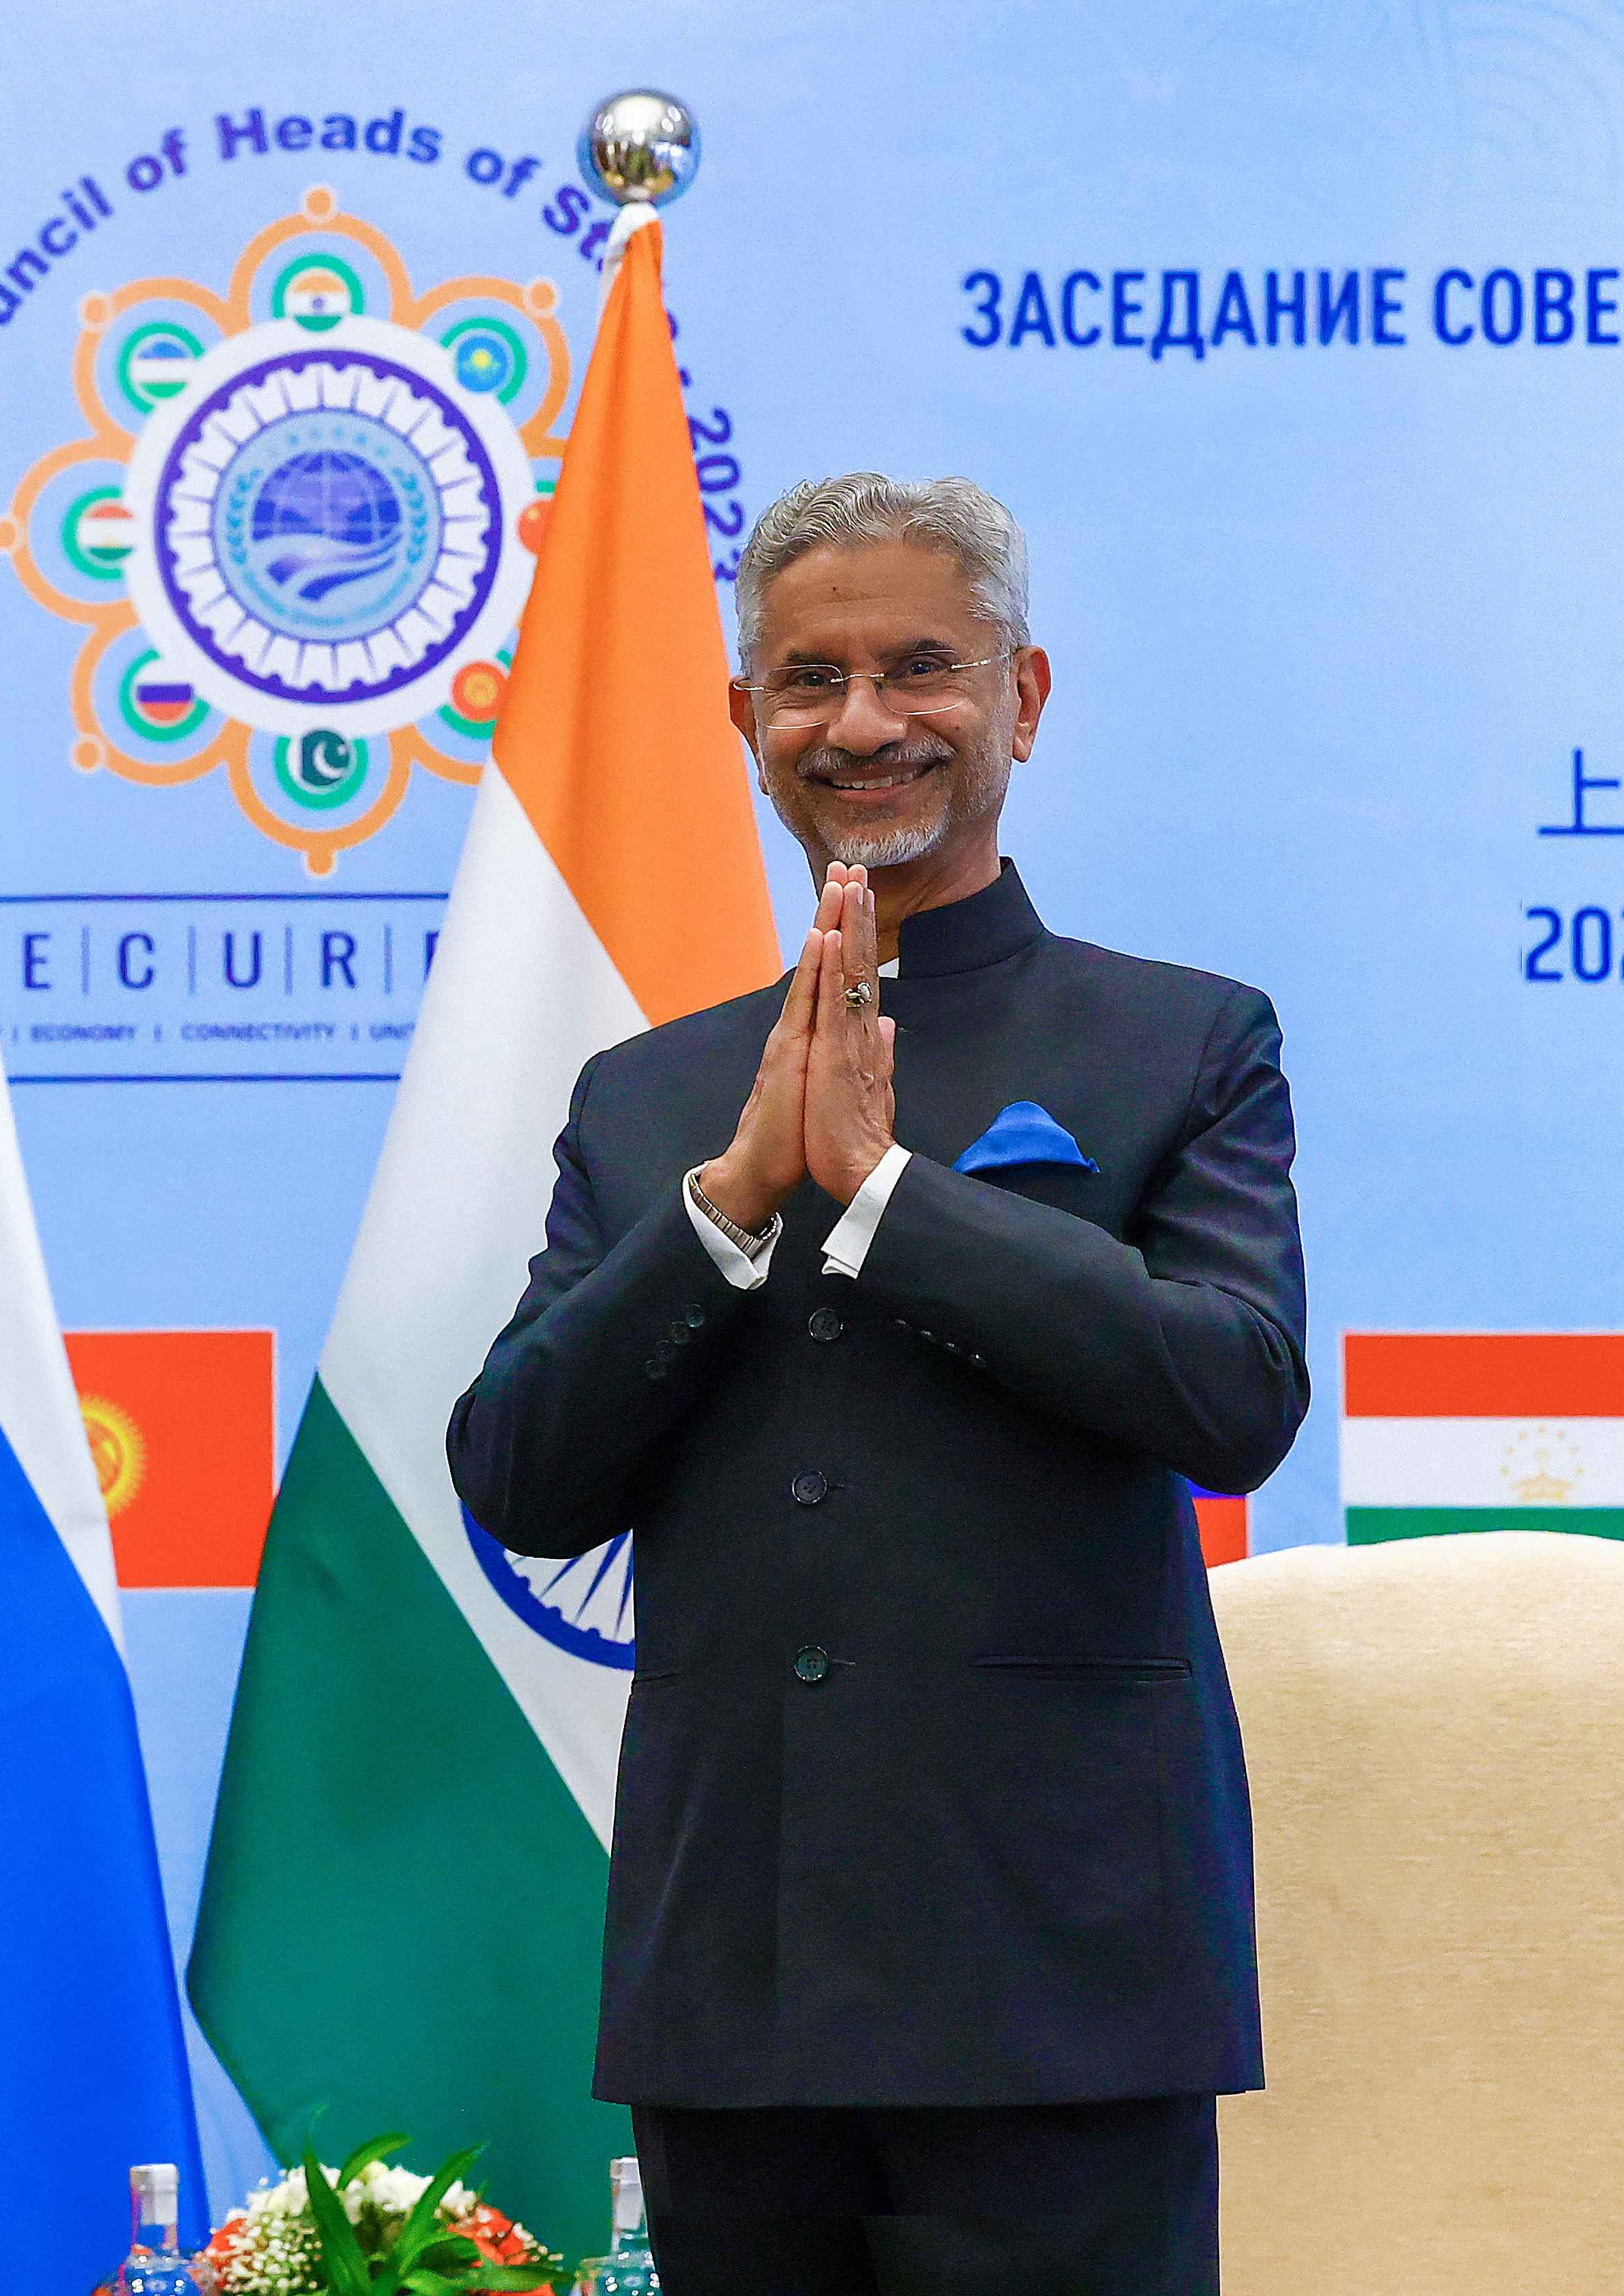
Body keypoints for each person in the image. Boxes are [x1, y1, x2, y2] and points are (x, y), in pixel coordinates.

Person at [449, 474, 1303, 2292]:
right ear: (743, 719)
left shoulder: (1182, 1039)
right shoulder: (648, 1098)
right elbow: (519, 1473)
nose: (862, 722)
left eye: (920, 668)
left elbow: (1232, 1390)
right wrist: (732, 1196)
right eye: (808, 678)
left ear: (1022, 698)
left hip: (1054, 1965)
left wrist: (892, 1196)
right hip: (728, 1978)